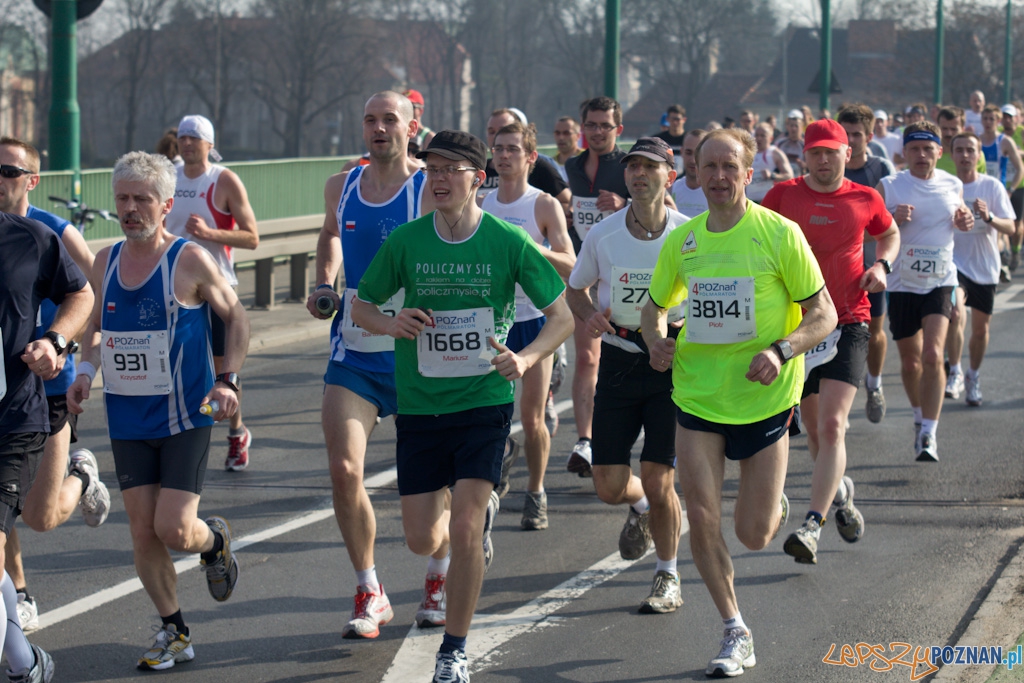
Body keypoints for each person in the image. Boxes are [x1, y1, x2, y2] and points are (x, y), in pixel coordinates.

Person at [351, 130, 573, 683]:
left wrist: (524, 360)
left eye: (453, 169)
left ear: (480, 178)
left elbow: (562, 316)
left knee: (468, 529)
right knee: (423, 537)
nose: (441, 178)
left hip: (484, 402)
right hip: (422, 405)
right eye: (433, 169)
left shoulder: (507, 241)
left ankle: (454, 648)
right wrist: (391, 322)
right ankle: (457, 536)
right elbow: (361, 307)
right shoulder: (406, 242)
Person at [641, 128, 836, 678]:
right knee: (701, 512)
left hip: (765, 395)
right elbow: (656, 307)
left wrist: (782, 349)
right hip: (698, 395)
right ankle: (734, 629)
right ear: (695, 175)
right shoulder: (684, 243)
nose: (720, 177)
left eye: (732, 167)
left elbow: (823, 315)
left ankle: (772, 504)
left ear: (749, 174)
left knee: (753, 533)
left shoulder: (780, 234)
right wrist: (656, 338)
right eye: (710, 168)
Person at [67, 152, 246, 670]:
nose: (130, 208)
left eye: (141, 199)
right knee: (143, 532)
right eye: (121, 198)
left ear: (166, 204)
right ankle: (175, 632)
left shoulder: (188, 259)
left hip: (184, 415)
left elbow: (234, 317)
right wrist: (84, 373)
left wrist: (228, 379)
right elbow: (94, 327)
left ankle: (213, 542)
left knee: (174, 529)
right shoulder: (105, 260)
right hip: (127, 418)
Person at [306, 91, 447, 637]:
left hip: (419, 355)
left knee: (430, 501)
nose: (379, 128)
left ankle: (438, 570)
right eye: (370, 119)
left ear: (413, 128)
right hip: (357, 354)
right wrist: (325, 282)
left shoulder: (428, 188)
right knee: (344, 470)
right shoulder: (341, 186)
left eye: (391, 119)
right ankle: (370, 587)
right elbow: (329, 235)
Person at [762, 119, 899, 565]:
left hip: (848, 321)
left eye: (831, 152)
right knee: (817, 433)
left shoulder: (866, 197)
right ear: (805, 155)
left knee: (834, 426)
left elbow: (889, 233)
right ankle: (841, 493)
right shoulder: (783, 196)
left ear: (848, 153)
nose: (824, 160)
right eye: (815, 152)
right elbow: (754, 236)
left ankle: (812, 525)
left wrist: (883, 267)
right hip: (797, 329)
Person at [567, 137, 688, 612]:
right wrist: (590, 317)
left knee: (661, 480)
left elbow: (704, 299)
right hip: (618, 360)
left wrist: (676, 339)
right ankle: (637, 508)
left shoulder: (688, 233)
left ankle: (668, 574)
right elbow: (577, 290)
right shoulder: (603, 234)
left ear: (669, 177)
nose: (639, 174)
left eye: (650, 168)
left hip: (669, 365)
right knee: (609, 486)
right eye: (633, 167)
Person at [0, 137, 112, 633]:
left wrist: (69, 354)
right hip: (9, 396)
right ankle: (19, 592)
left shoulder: (52, 234)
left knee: (42, 516)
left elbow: (91, 298)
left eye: (8, 170)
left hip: (51, 387)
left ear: (31, 178)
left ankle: (82, 475)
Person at [0, 199, 93, 683]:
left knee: (37, 518)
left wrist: (56, 340)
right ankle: (24, 661)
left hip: (11, 417)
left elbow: (81, 293)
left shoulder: (30, 237)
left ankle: (79, 473)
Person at [482, 121, 574, 530]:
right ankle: (495, 463)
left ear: (530, 157)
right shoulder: (481, 203)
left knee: (532, 415)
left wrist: (531, 247)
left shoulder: (543, 205)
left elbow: (572, 262)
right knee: (485, 411)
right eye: (498, 148)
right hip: (492, 321)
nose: (503, 156)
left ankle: (535, 491)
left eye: (513, 149)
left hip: (535, 320)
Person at [875, 121, 974, 461]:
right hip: (902, 284)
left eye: (928, 149)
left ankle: (930, 434)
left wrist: (966, 221)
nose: (921, 155)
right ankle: (919, 419)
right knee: (911, 362)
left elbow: (961, 220)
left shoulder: (953, 183)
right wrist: (890, 217)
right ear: (904, 152)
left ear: (939, 152)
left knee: (933, 355)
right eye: (914, 149)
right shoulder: (889, 185)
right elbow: (869, 231)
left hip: (940, 281)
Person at [165, 115, 259, 471]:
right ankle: (177, 435)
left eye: (195, 139)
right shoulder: (168, 176)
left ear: (209, 145)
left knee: (222, 370)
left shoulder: (223, 180)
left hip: (218, 286)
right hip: (177, 288)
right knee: (174, 363)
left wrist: (210, 233)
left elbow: (251, 237)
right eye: (183, 138)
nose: (187, 144)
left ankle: (237, 432)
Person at [563, 96, 630, 478]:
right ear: (582, 127)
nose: (598, 132)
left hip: (622, 274)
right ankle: (585, 441)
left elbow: (660, 207)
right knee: (587, 358)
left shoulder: (627, 166)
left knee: (623, 358)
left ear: (617, 130)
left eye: (606, 126)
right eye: (592, 124)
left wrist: (623, 204)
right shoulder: (571, 165)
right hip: (584, 272)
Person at [832, 107, 897, 423]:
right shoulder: (828, 167)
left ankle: (875, 384)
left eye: (857, 134)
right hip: (834, 272)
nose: (852, 141)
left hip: (869, 271)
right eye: (846, 134)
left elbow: (887, 223)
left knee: (874, 330)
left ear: (869, 137)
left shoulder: (880, 169)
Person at [943, 133, 1016, 406]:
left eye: (970, 150)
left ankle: (973, 375)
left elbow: (1011, 226)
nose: (964, 155)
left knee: (981, 331)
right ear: (952, 155)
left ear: (978, 155)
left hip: (985, 266)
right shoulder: (947, 186)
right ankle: (955, 372)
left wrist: (989, 217)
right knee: (955, 311)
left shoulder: (992, 187)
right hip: (954, 265)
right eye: (959, 150)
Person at [478, 109, 570, 213]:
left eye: (504, 130)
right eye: (491, 132)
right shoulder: (479, 170)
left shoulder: (539, 166)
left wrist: (540, 218)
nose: (497, 136)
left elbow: (567, 201)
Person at [1001, 104, 1024, 272]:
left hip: (1019, 185)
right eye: (1004, 116)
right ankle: (1004, 253)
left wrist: (1017, 153)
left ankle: (1016, 251)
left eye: (1010, 117)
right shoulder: (998, 133)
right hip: (1001, 184)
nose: (1007, 120)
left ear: (1017, 118)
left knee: (1017, 225)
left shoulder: (1021, 132)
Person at [747, 122, 793, 203]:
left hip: (768, 201)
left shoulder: (775, 153)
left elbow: (789, 176)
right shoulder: (748, 153)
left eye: (762, 136)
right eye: (756, 135)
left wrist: (772, 175)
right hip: (749, 201)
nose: (759, 138)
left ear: (771, 138)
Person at [670, 129, 710, 218]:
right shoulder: (672, 188)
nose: (692, 160)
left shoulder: (715, 192)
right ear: (682, 152)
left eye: (697, 154)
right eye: (688, 153)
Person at [935, 107, 985, 176]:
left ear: (963, 129)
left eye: (953, 129)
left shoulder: (975, 155)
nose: (948, 133)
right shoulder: (931, 155)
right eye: (944, 129)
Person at [653, 104, 687, 173]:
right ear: (667, 119)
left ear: (684, 120)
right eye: (672, 119)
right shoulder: (659, 140)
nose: (674, 122)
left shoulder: (689, 140)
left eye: (677, 119)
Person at [774, 110, 806, 175]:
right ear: (787, 127)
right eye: (791, 126)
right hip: (783, 179)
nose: (793, 129)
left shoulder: (805, 145)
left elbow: (810, 165)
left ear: (801, 127)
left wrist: (804, 165)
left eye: (796, 126)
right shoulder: (779, 143)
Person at [405, 89, 435, 153]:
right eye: (404, 107)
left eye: (411, 106)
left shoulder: (429, 138)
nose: (407, 110)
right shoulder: (397, 134)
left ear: (421, 111)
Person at [552, 116, 583, 180]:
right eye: (557, 133)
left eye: (566, 133)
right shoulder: (550, 164)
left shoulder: (588, 158)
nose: (561, 138)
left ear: (578, 136)